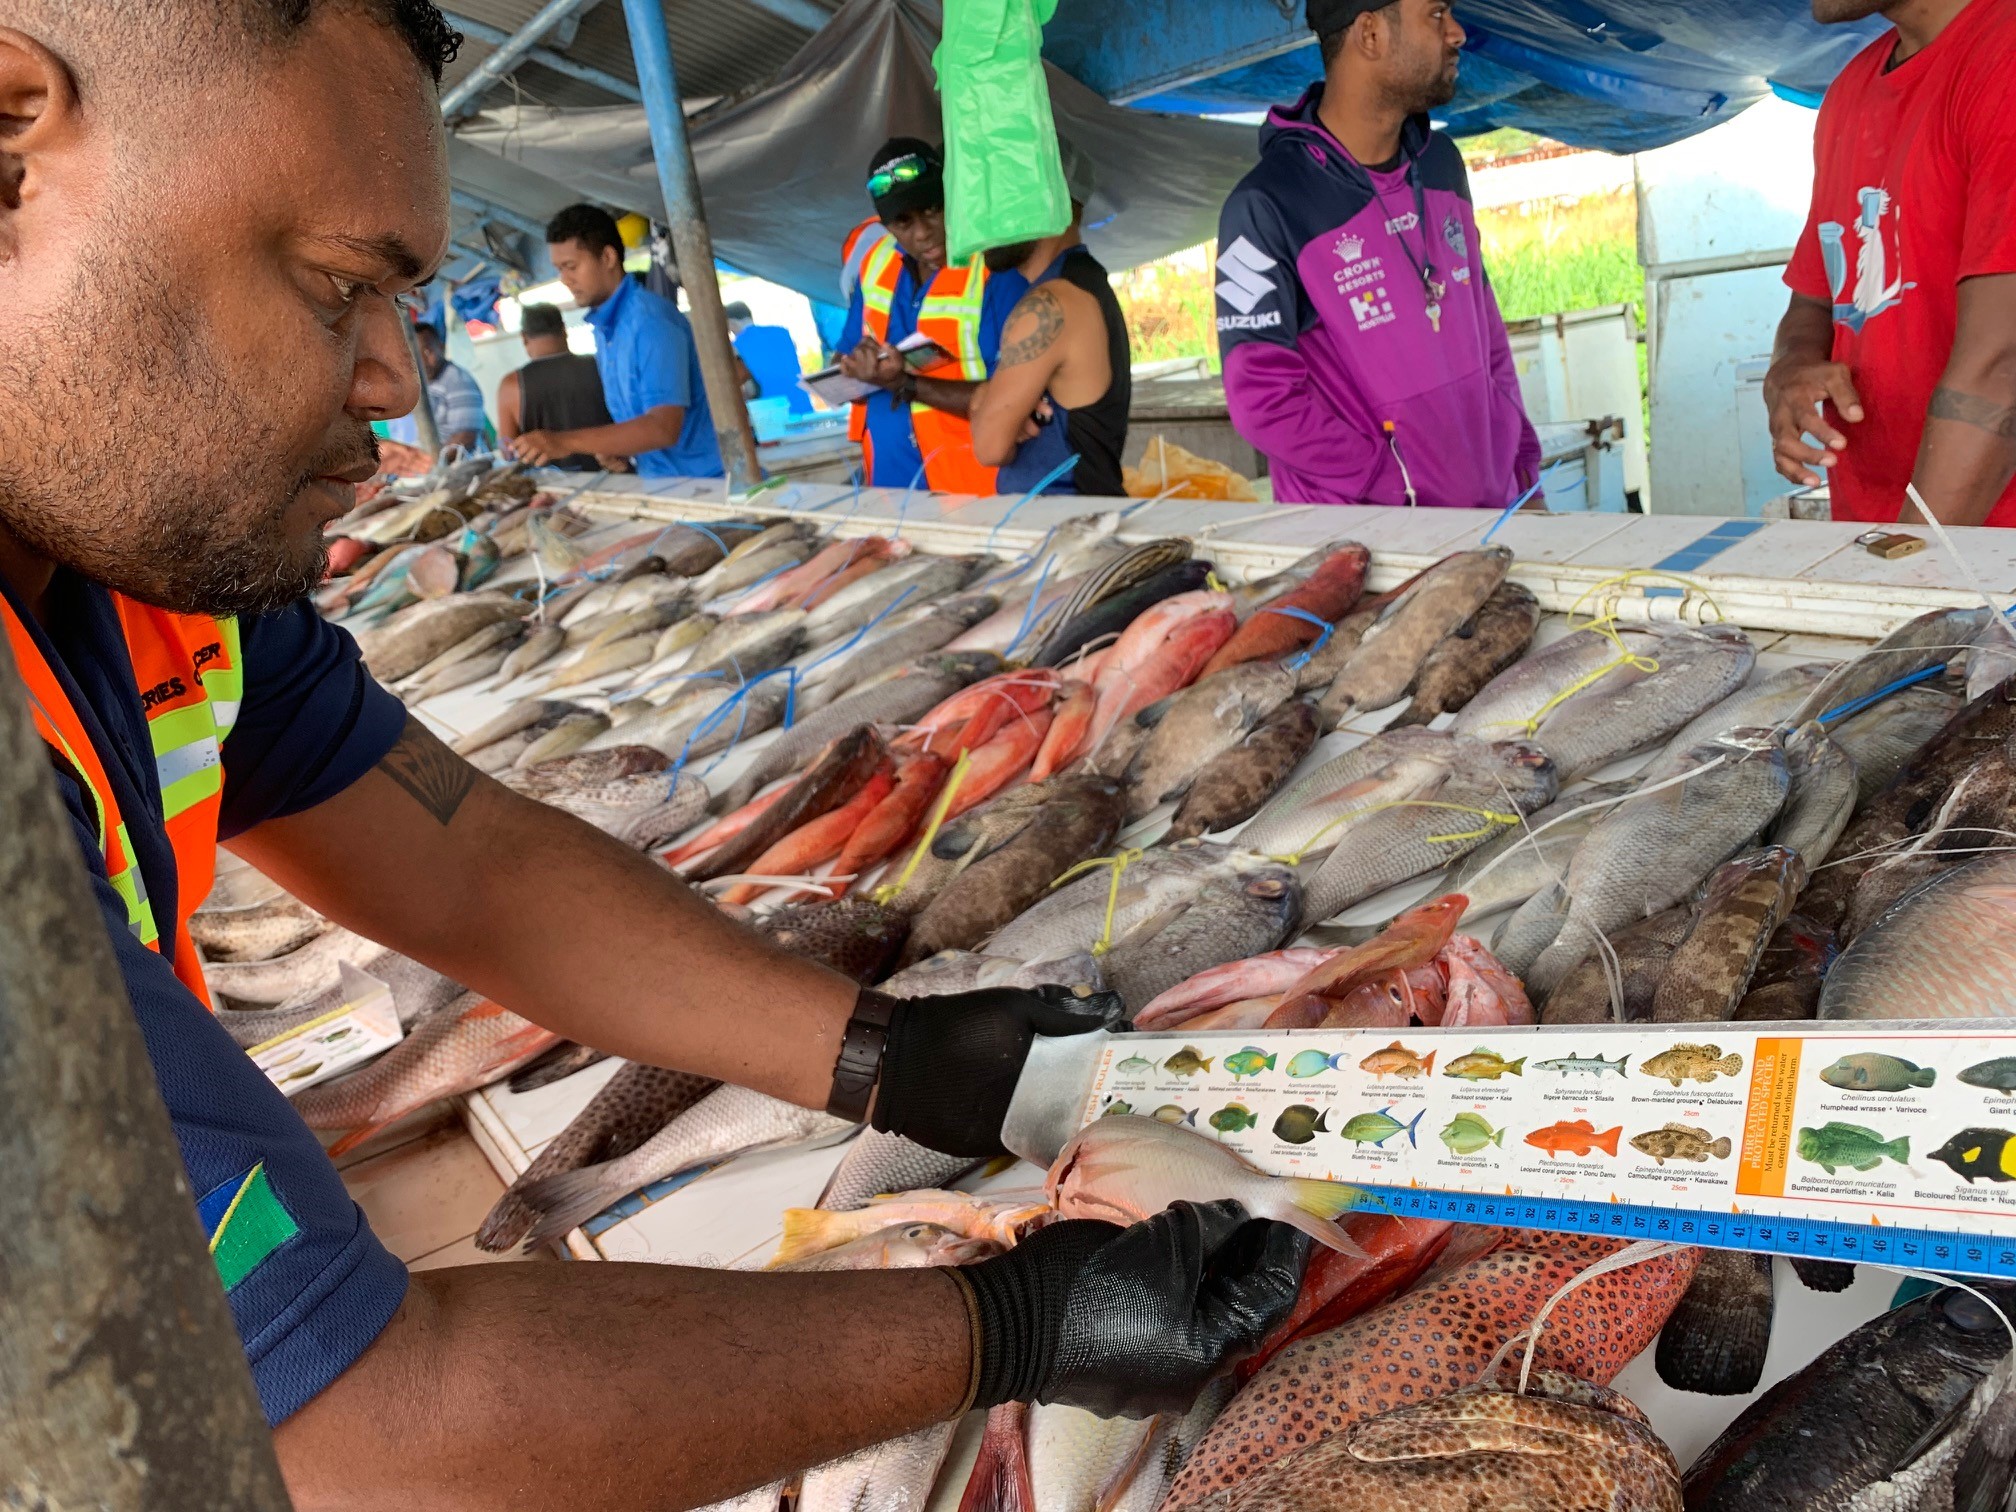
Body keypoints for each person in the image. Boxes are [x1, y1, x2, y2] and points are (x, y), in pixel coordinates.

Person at [0, 5, 1311, 1505]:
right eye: (336, 285)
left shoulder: (133, 576)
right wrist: (1015, 1318)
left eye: (402, 302)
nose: (389, 378)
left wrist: (887, 1057)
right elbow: (370, 1433)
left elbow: (466, 858)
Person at [1213, 0, 1540, 510]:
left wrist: (1523, 469)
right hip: (1371, 550)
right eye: (1435, 14)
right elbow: (1262, 399)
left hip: (1490, 518)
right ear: (1370, 34)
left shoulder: (1441, 165)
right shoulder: (1268, 205)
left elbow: (1486, 332)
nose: (1456, 33)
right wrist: (1389, 480)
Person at [1764, 0, 2016, 527]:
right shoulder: (1850, 90)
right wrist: (1790, 365)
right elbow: (1816, 298)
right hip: (1885, 541)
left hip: (1985, 566)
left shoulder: (2003, 56)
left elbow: (2003, 366)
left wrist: (1910, 579)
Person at [836, 137, 1030, 492]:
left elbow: (1018, 398)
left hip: (978, 490)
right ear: (887, 226)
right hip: (893, 488)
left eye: (933, 209)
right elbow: (843, 354)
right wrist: (855, 368)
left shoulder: (996, 269)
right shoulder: (875, 264)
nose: (923, 232)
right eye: (903, 222)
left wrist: (903, 384)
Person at [969, 139, 1133, 497]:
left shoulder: (1049, 303)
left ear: (1050, 200)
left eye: (1002, 201)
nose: (983, 220)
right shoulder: (1082, 282)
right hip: (1073, 519)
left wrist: (986, 403)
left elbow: (989, 447)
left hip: (1066, 524)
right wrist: (987, 397)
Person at [512, 203, 723, 479]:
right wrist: (623, 451)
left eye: (571, 266)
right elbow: (644, 425)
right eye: (559, 269)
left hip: (707, 485)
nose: (565, 279)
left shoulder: (650, 322)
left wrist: (562, 442)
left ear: (608, 257)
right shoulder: (604, 329)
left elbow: (663, 428)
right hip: (662, 483)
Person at [496, 301, 612, 472]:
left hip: (551, 488)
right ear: (564, 330)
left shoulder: (512, 384)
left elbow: (508, 451)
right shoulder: (601, 365)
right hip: (614, 475)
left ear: (524, 337)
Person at [383, 320, 486, 454]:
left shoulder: (459, 381)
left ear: (442, 347)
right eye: (414, 354)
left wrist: (430, 465)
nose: (422, 360)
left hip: (453, 467)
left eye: (427, 351)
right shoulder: (408, 384)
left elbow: (466, 437)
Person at [727, 300, 813, 415]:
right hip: (804, 406)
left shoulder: (736, 347)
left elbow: (749, 390)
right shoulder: (782, 333)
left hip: (772, 414)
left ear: (731, 323)